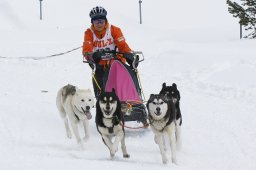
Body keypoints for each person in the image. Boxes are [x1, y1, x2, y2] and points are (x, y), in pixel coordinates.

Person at [82, 6, 137, 97]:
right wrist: (90, 57)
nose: (99, 24)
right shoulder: (89, 33)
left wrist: (130, 56)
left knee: (127, 78)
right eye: (96, 21)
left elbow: (123, 45)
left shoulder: (114, 30)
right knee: (101, 90)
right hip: (100, 65)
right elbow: (87, 48)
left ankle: (132, 99)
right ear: (92, 22)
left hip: (116, 63)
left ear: (105, 20)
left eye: (101, 21)